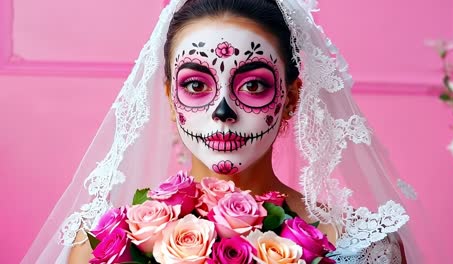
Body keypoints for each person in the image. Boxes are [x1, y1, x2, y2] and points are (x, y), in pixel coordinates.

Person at [22, 0, 428, 263]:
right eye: (196, 85)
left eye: (253, 85)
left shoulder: (366, 247)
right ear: (169, 95)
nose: (222, 113)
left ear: (290, 96)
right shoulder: (103, 244)